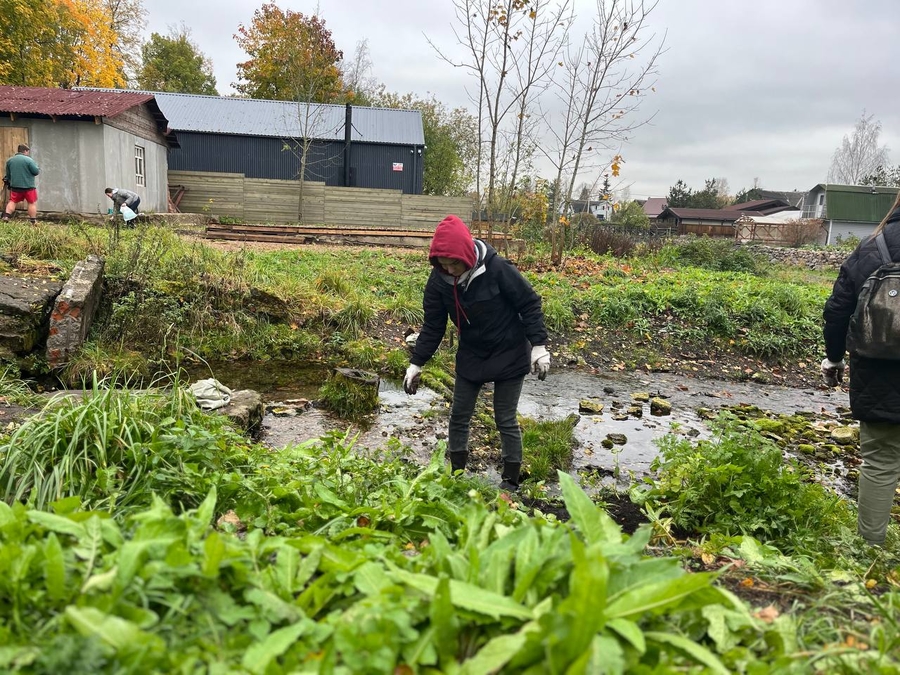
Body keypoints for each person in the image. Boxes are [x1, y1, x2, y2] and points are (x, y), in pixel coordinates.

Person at [403, 214, 550, 491]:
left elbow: (529, 303)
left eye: (454, 264)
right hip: (472, 352)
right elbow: (433, 326)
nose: (449, 270)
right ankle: (457, 474)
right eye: (443, 265)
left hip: (510, 350)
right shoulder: (438, 281)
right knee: (459, 414)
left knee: (504, 417)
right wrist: (416, 363)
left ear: (466, 255)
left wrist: (539, 346)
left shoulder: (498, 269)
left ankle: (510, 480)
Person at [822, 188, 900, 547]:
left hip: (879, 372)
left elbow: (837, 311)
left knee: (882, 462)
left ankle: (871, 550)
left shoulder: (872, 249)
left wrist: (834, 358)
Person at [2, 144, 40, 225]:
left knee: (12, 201)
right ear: (25, 151)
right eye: (28, 151)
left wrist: (8, 181)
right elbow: (36, 172)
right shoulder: (29, 160)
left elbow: (8, 175)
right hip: (28, 186)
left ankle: (6, 216)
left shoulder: (10, 161)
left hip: (15, 186)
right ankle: (33, 221)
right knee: (31, 202)